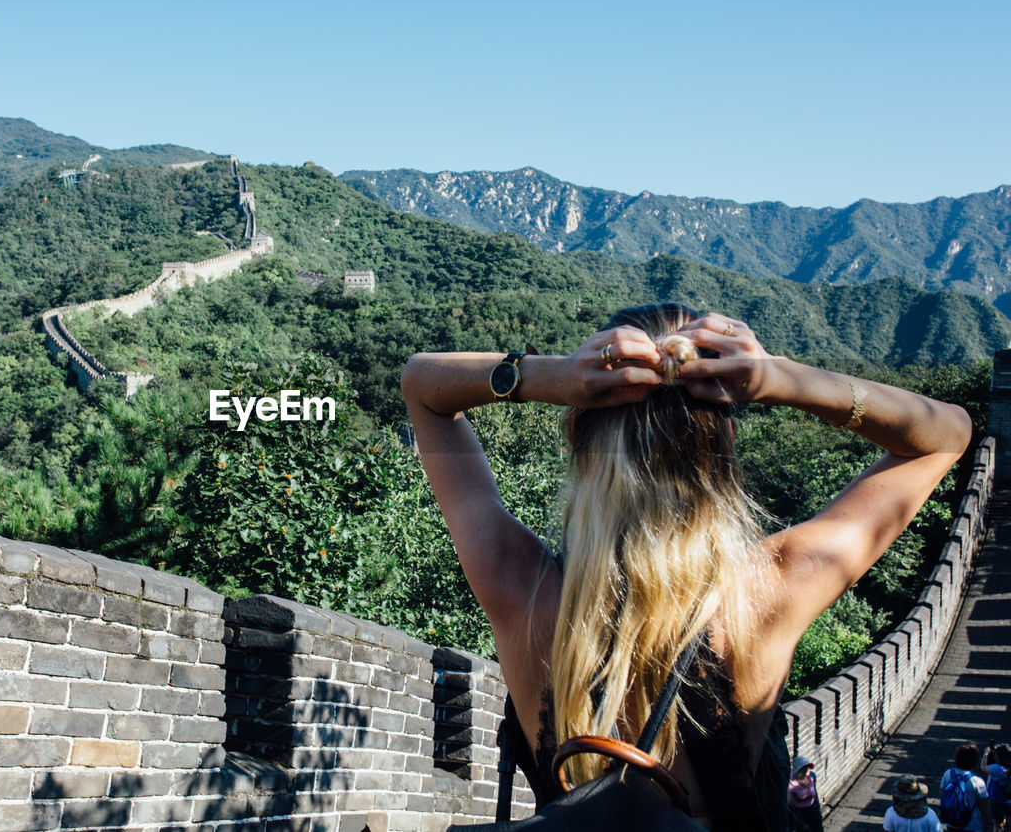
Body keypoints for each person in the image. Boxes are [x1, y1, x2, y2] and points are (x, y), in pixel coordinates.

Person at [401, 303, 971, 831]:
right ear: (723, 447)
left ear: (578, 432)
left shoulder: (519, 586)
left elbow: (422, 387)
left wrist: (544, 377)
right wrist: (779, 379)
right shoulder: (772, 590)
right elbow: (946, 436)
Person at [941, 743, 995, 831]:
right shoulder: (977, 781)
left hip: (951, 821)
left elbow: (942, 794)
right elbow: (983, 807)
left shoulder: (948, 774)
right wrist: (987, 825)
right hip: (971, 825)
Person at [790, 756, 824, 831]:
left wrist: (818, 811)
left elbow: (815, 795)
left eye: (807, 768)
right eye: (804, 768)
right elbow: (789, 804)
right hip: (799, 814)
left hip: (812, 810)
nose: (806, 771)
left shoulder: (812, 776)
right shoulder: (791, 783)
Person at [982, 743, 1010, 831]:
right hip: (1009, 799)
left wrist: (986, 754)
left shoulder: (997, 769)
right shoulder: (1007, 769)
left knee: (997, 824)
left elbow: (983, 767)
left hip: (997, 799)